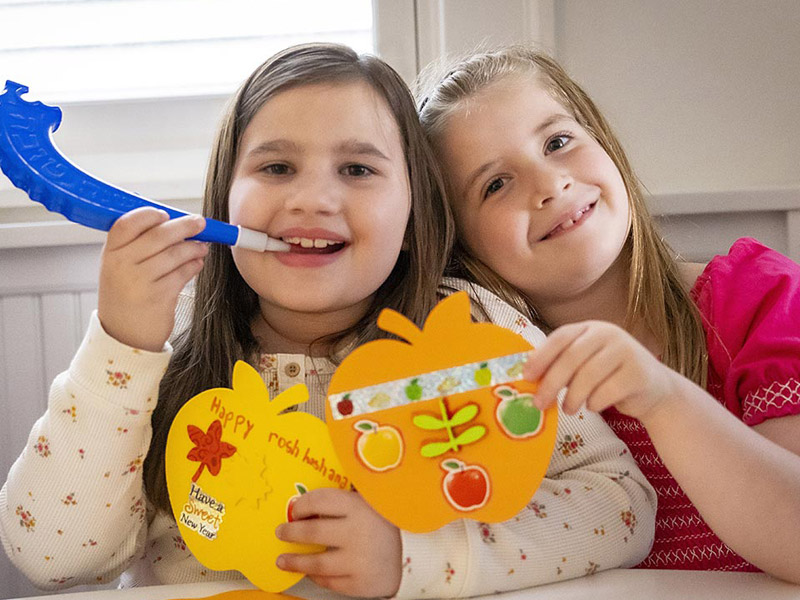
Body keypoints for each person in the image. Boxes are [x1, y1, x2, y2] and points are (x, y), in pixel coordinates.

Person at [1, 43, 656, 599]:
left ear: (412, 218)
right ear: (224, 200)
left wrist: (412, 557)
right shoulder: (164, 359)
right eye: (277, 166)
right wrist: (120, 346)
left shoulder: (474, 331)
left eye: (357, 168)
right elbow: (50, 557)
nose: (312, 197)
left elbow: (620, 504)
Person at [416, 44, 800, 583]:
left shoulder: (758, 298)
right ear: (460, 243)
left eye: (557, 142)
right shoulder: (486, 389)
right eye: (495, 184)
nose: (549, 185)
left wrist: (663, 399)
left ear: (602, 140)